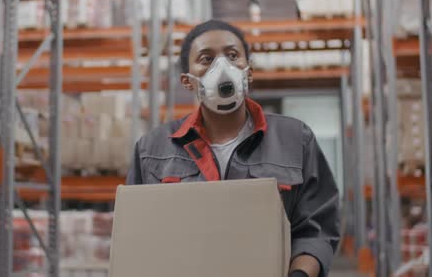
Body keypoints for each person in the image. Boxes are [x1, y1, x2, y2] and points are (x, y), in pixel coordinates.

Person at [126, 20, 340, 277]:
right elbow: (138, 236)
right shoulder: (152, 150)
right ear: (187, 81)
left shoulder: (296, 139)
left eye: (232, 55)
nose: (222, 67)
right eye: (206, 59)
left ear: (248, 71)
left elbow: (317, 229)